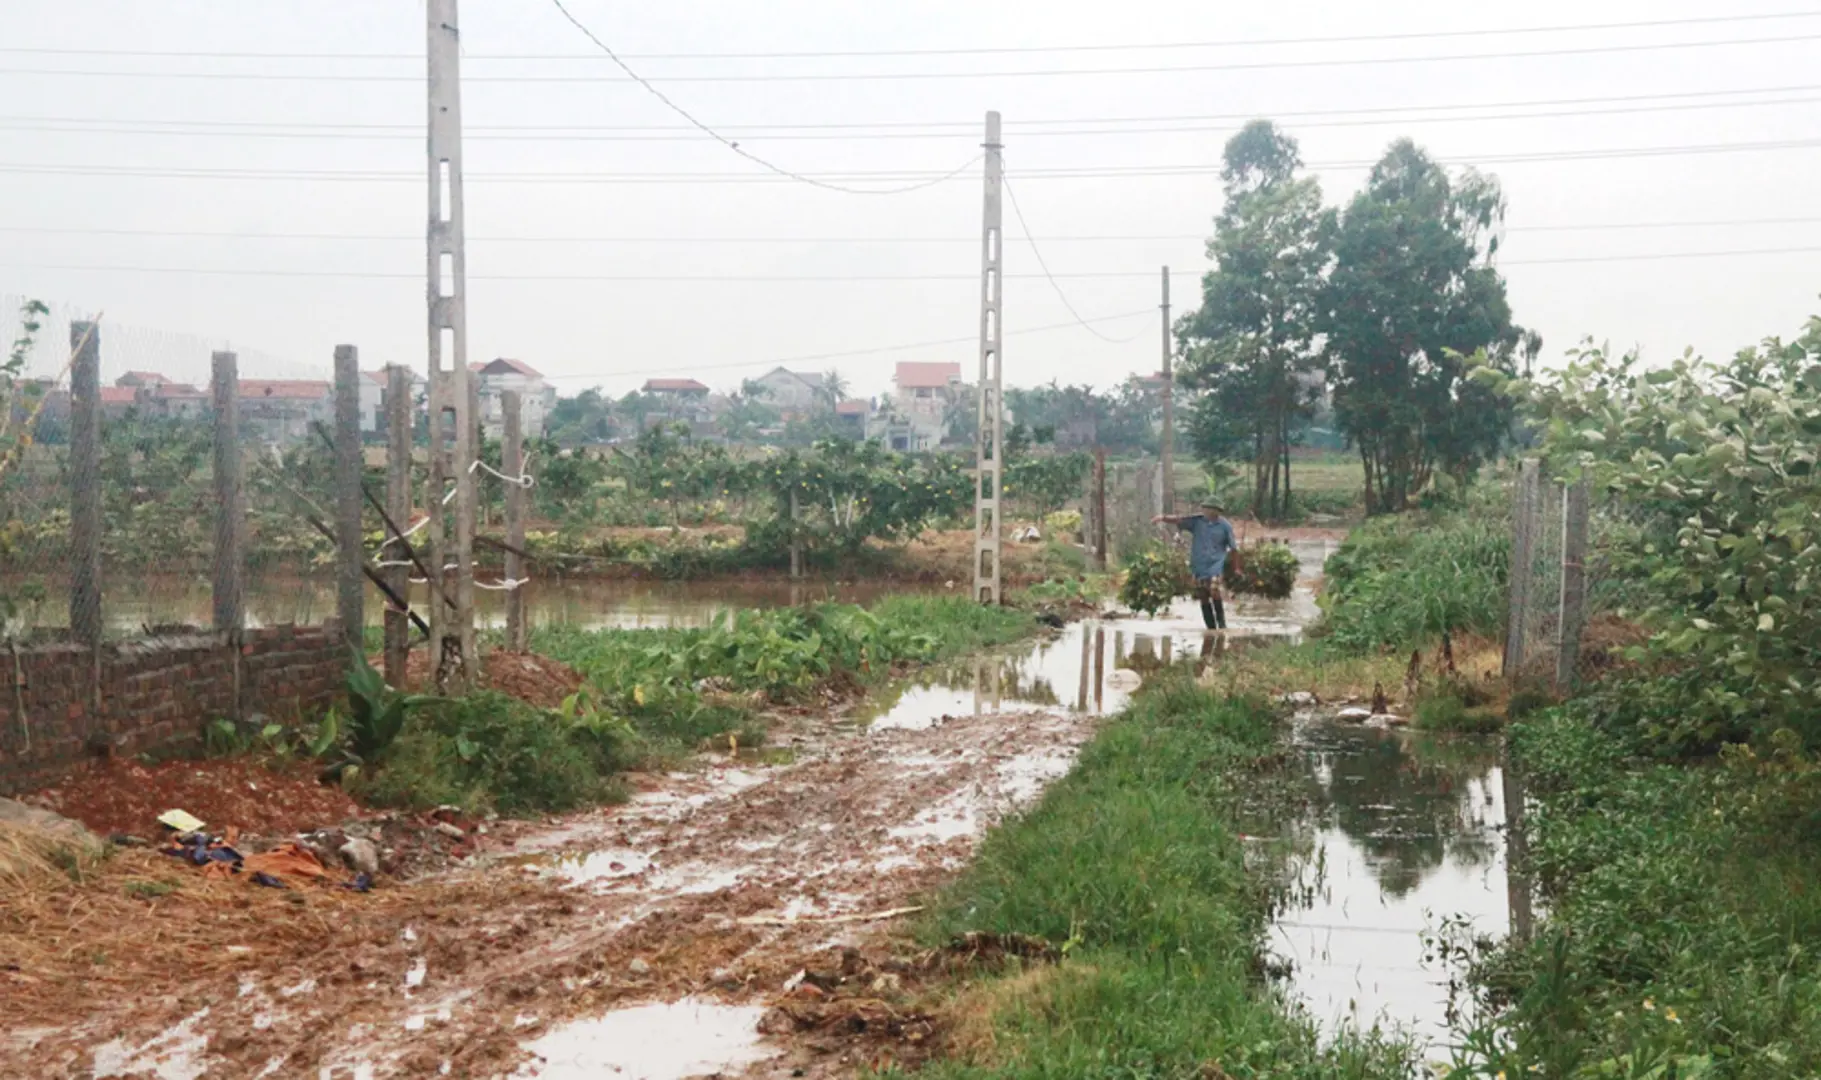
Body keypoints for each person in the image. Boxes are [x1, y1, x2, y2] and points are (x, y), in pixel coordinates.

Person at [1151, 498, 1237, 629]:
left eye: (1208, 509)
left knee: (1214, 591)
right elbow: (1179, 519)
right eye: (1204, 508)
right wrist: (1162, 518)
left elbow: (1233, 548)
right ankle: (1211, 628)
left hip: (1216, 565)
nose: (1205, 511)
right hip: (1199, 565)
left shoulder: (1225, 526)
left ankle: (1222, 624)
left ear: (1216, 511)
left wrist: (1236, 567)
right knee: (1203, 595)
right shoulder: (1197, 522)